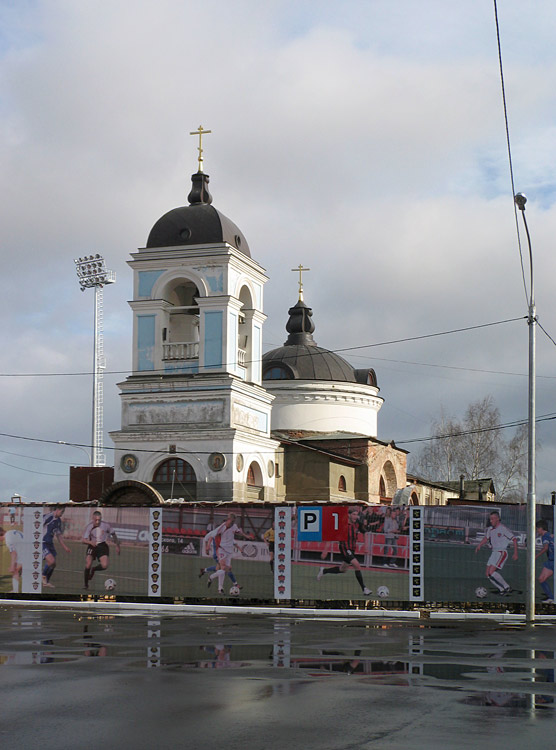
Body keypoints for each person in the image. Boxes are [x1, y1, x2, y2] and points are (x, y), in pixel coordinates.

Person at [317, 508, 372, 596]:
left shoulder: (357, 523)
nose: (355, 516)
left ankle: (324, 571)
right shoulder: (342, 524)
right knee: (357, 565)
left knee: (343, 569)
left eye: (356, 514)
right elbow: (331, 535)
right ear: (349, 515)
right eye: (353, 514)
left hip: (352, 549)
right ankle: (364, 588)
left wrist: (366, 546)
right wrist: (325, 550)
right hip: (344, 548)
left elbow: (365, 533)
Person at [202, 513, 250, 594]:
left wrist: (246, 536)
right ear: (229, 519)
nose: (231, 522)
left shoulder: (234, 526)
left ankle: (218, 587)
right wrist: (207, 547)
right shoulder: (222, 527)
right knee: (223, 567)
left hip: (229, 552)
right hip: (221, 550)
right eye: (231, 520)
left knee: (225, 569)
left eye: (233, 520)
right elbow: (211, 536)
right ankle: (214, 579)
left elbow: (239, 532)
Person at [475, 511, 518, 595]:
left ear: (497, 519)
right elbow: (486, 538)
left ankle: (507, 587)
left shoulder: (503, 528)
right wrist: (479, 545)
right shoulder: (490, 529)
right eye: (490, 519)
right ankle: (501, 589)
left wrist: (515, 553)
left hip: (501, 552)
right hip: (494, 553)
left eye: (492, 519)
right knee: (488, 574)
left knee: (491, 572)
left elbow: (514, 539)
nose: (491, 521)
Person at [82, 511, 120, 589]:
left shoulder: (106, 525)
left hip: (102, 546)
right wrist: (90, 542)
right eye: (96, 520)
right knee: (88, 563)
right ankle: (86, 585)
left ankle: (94, 569)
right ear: (93, 519)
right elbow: (83, 540)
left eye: (99, 520)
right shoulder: (89, 526)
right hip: (92, 545)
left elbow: (113, 534)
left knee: (105, 565)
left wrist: (117, 545)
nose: (97, 521)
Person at [42, 505, 70, 588]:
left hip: (50, 543)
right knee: (51, 561)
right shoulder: (48, 517)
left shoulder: (58, 521)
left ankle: (46, 582)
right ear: (57, 510)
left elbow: (58, 535)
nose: (62, 514)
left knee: (53, 564)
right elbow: (36, 526)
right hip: (42, 542)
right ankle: (43, 577)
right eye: (62, 512)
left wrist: (65, 547)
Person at [535, 520, 554, 604]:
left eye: (537, 529)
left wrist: (535, 556)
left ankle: (551, 598)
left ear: (541, 528)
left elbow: (545, 548)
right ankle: (551, 598)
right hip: (551, 561)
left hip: (553, 561)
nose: (537, 531)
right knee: (541, 578)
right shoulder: (550, 535)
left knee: (541, 579)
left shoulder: (545, 536)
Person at [0, 526, 23, 593]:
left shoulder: (8, 539)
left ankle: (15, 591)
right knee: (19, 570)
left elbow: (13, 553)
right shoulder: (13, 531)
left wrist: (12, 566)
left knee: (15, 570)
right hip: (28, 551)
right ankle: (16, 590)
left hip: (25, 554)